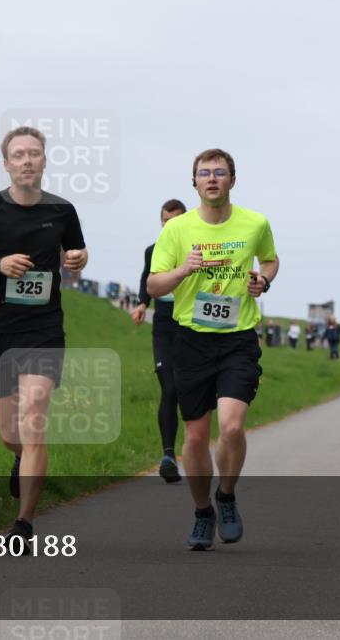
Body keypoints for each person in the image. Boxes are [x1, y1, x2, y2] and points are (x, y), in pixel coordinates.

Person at [0, 126, 88, 546]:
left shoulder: (63, 210)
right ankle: (23, 459)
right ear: (6, 164)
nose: (27, 160)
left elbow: (75, 258)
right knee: (9, 435)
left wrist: (79, 258)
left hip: (44, 329)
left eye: (34, 153)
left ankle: (24, 525)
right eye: (19, 155)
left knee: (34, 414)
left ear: (45, 161)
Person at [147, 147, 278, 551]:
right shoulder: (176, 230)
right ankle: (203, 511)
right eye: (204, 173)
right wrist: (184, 270)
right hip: (191, 340)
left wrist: (263, 281)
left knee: (233, 425)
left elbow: (270, 261)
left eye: (220, 172)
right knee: (196, 437)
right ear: (195, 183)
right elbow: (154, 286)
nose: (212, 179)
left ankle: (227, 496)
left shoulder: (255, 223)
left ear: (232, 180)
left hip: (238, 338)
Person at [131, 199, 187, 483]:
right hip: (164, 326)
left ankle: (194, 449)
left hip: (191, 327)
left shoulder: (195, 251)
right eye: (165, 221)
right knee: (170, 388)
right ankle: (168, 455)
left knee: (189, 389)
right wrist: (142, 304)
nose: (169, 226)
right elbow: (146, 278)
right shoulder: (152, 251)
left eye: (175, 221)